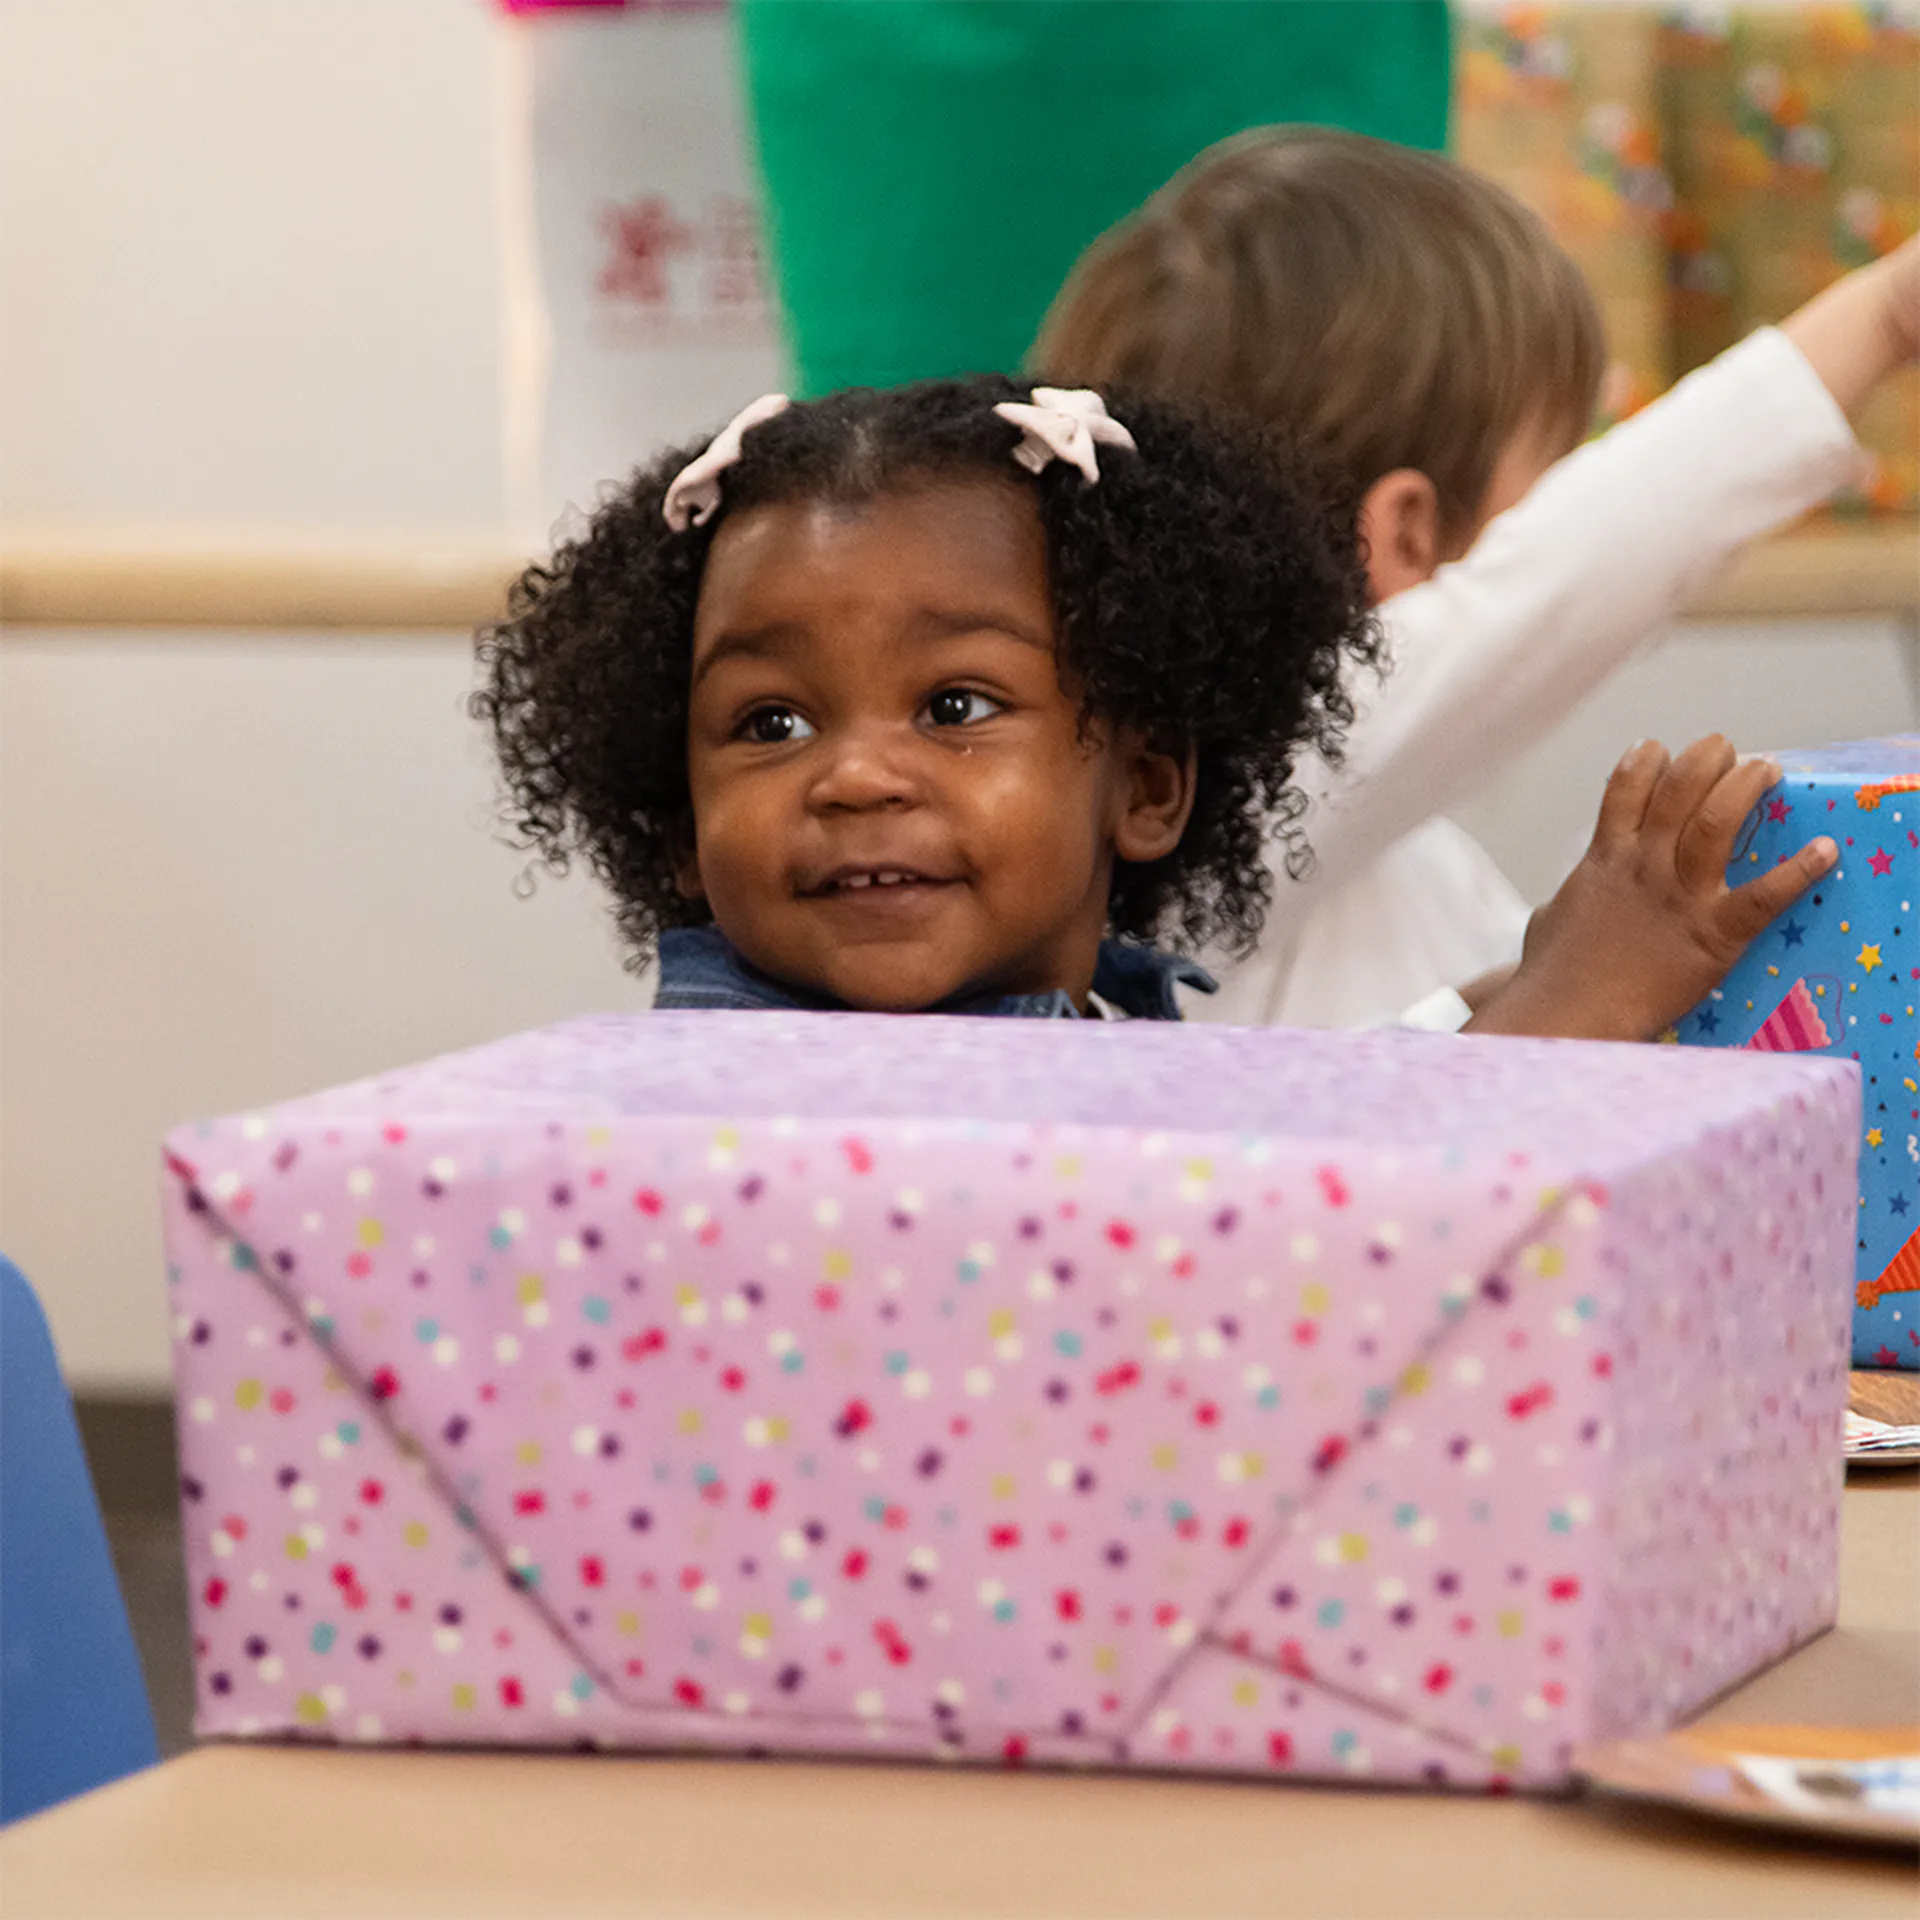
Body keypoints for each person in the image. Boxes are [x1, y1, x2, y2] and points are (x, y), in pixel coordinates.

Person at [473, 376, 1832, 1041]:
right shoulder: (766, 1087)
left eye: (952, 704)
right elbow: (1332, 1248)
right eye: (771, 724)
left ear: (1146, 784)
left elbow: (1268, 1137)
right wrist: (1574, 1008)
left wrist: (1503, 1001)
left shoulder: (1083, 1028)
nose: (856, 777)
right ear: (678, 816)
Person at [1032, 126, 1909, 1029]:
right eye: (1554, 480)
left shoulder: (1405, 863)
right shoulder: (1219, 807)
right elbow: (1559, 583)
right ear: (1407, 532)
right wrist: (1883, 317)